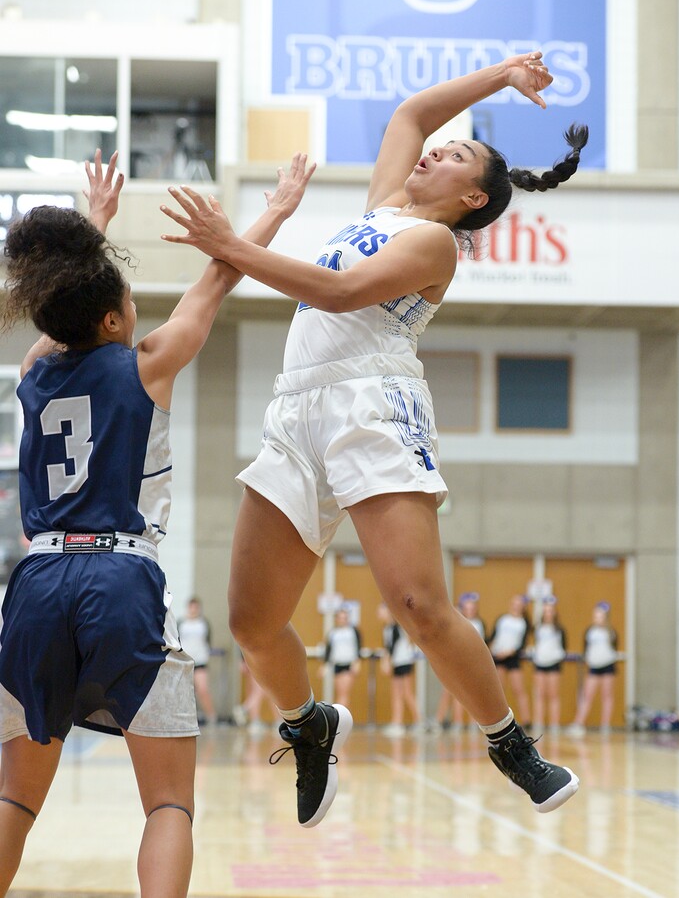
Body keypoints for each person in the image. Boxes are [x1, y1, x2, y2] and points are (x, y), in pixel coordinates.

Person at [160, 51, 586, 824]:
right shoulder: (386, 202)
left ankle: (508, 740)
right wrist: (502, 75)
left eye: (456, 155)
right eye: (445, 144)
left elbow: (338, 290)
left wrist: (232, 244)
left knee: (420, 602)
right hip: (296, 410)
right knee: (252, 623)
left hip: (372, 403)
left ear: (470, 196)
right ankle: (308, 724)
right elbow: (409, 116)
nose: (436, 148)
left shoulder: (433, 247)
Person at [0, 149, 313, 898]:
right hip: (117, 577)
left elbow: (58, 314)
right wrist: (277, 208)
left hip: (36, 581)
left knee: (14, 798)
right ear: (113, 317)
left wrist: (95, 223)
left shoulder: (33, 374)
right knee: (168, 802)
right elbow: (220, 276)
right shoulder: (148, 362)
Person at [433, 592, 485, 733]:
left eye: (472, 607)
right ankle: (454, 722)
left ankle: (473, 723)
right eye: (466, 607)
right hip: (456, 662)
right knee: (452, 692)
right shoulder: (458, 623)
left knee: (471, 694)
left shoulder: (478, 624)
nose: (470, 610)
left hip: (472, 663)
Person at [568, 602, 619, 737]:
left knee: (607, 696)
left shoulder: (611, 633)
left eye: (601, 616)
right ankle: (579, 723)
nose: (598, 618)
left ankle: (605, 725)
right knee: (587, 695)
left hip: (608, 666)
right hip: (594, 667)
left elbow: (614, 649)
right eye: (596, 615)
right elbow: (587, 650)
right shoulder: (590, 632)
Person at [488, 594, 533, 727]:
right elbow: (493, 637)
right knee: (499, 690)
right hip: (498, 657)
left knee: (519, 689)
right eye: (514, 603)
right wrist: (492, 651)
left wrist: (509, 652)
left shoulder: (523, 623)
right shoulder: (502, 620)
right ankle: (497, 721)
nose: (516, 607)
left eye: (519, 604)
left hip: (512, 658)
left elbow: (522, 644)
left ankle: (527, 720)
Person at [378, 602, 421, 737]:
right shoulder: (387, 628)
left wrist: (386, 661)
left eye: (382, 610)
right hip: (397, 662)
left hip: (404, 662)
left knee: (407, 692)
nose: (379, 613)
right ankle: (397, 723)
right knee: (396, 693)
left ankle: (419, 722)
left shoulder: (396, 627)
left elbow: (392, 647)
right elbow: (388, 647)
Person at [177, 596, 217, 725]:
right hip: (185, 662)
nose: (193, 610)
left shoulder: (203, 623)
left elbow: (208, 641)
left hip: (200, 661)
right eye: (191, 607)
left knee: (203, 689)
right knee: (184, 692)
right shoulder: (181, 623)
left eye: (196, 607)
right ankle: (185, 718)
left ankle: (212, 717)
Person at [531, 596, 567, 734]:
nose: (548, 613)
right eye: (546, 611)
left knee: (553, 695)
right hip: (540, 664)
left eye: (551, 610)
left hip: (554, 665)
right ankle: (539, 722)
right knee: (539, 694)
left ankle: (554, 724)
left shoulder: (559, 630)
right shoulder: (538, 628)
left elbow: (563, 647)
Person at [320, 606, 363, 711]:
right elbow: (329, 651)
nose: (342, 620)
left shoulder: (353, 631)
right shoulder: (333, 633)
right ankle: (344, 717)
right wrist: (325, 666)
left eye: (345, 617)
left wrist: (357, 662)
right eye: (340, 617)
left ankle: (339, 717)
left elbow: (358, 647)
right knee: (340, 693)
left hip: (349, 664)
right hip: (337, 665)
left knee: (344, 694)